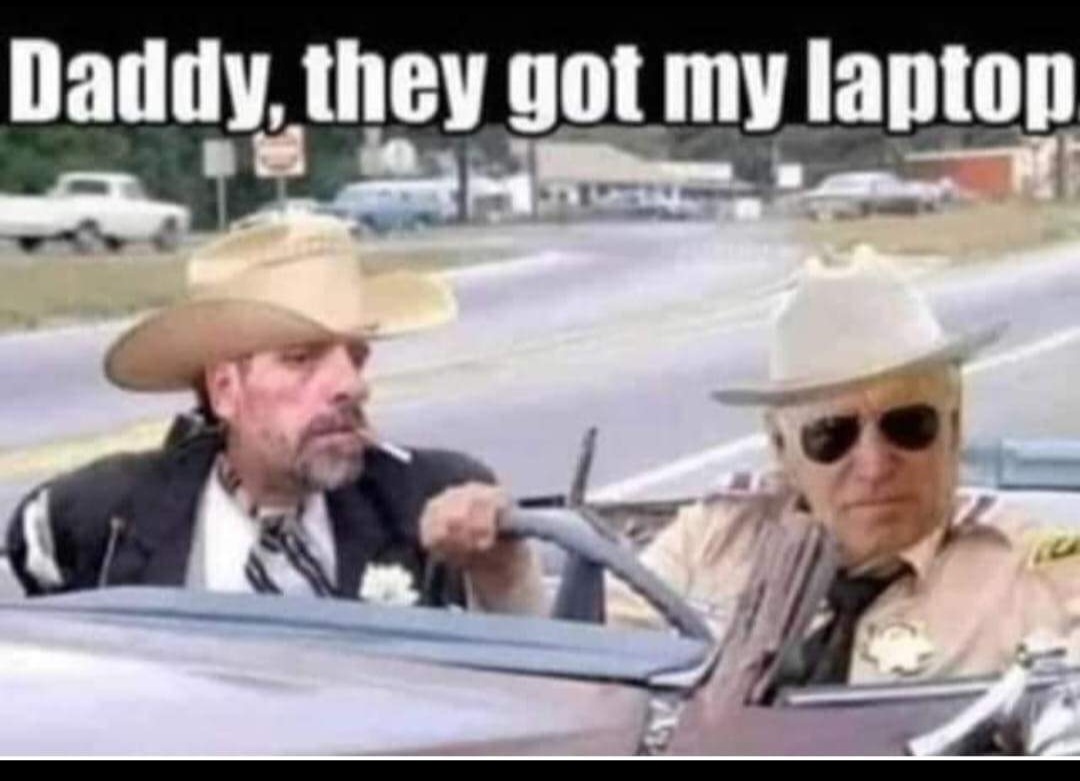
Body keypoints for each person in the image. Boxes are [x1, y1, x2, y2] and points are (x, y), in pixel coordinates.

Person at [6, 215, 545, 615]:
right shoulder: (107, 513)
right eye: (301, 359)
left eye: (355, 356)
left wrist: (502, 570)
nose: (351, 385)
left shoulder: (431, 499)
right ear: (225, 389)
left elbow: (540, 675)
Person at [607, 249, 1080, 684]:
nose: (874, 466)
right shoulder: (712, 541)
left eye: (908, 426)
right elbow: (594, 658)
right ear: (781, 448)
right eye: (831, 435)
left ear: (954, 427)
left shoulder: (1029, 574)